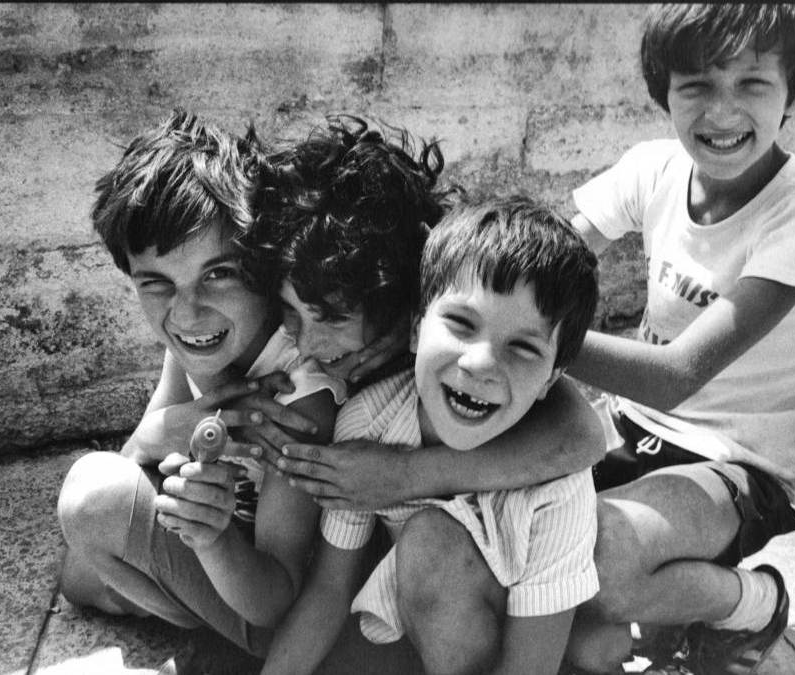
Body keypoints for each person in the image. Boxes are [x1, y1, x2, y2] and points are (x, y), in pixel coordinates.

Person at [558, 5, 795, 674]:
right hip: (631, 424)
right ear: (663, 91)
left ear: (792, 92)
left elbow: (676, 375)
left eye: (752, 83)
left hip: (741, 459)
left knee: (603, 558)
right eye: (695, 84)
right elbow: (545, 259)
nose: (721, 112)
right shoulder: (654, 168)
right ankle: (659, 614)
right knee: (528, 539)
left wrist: (528, 337)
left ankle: (755, 603)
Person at [259, 196, 603, 675]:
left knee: (430, 544)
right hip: (410, 633)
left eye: (523, 348)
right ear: (416, 330)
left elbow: (530, 666)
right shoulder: (367, 423)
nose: (480, 363)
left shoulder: (560, 490)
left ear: (552, 380)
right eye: (461, 324)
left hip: (514, 646)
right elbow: (329, 591)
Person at [56, 109, 342, 665]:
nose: (187, 313)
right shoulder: (198, 341)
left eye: (218, 274)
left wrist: (210, 539)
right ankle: (186, 606)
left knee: (93, 501)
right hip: (213, 541)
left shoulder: (299, 394)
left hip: (267, 604)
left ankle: (193, 618)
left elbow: (277, 605)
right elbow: (137, 455)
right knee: (78, 572)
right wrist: (171, 428)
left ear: (262, 265)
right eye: (157, 283)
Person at [252, 116, 606, 513]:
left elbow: (582, 434)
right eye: (289, 311)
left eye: (335, 317)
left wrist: (408, 476)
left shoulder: (458, 331)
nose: (305, 345)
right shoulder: (279, 300)